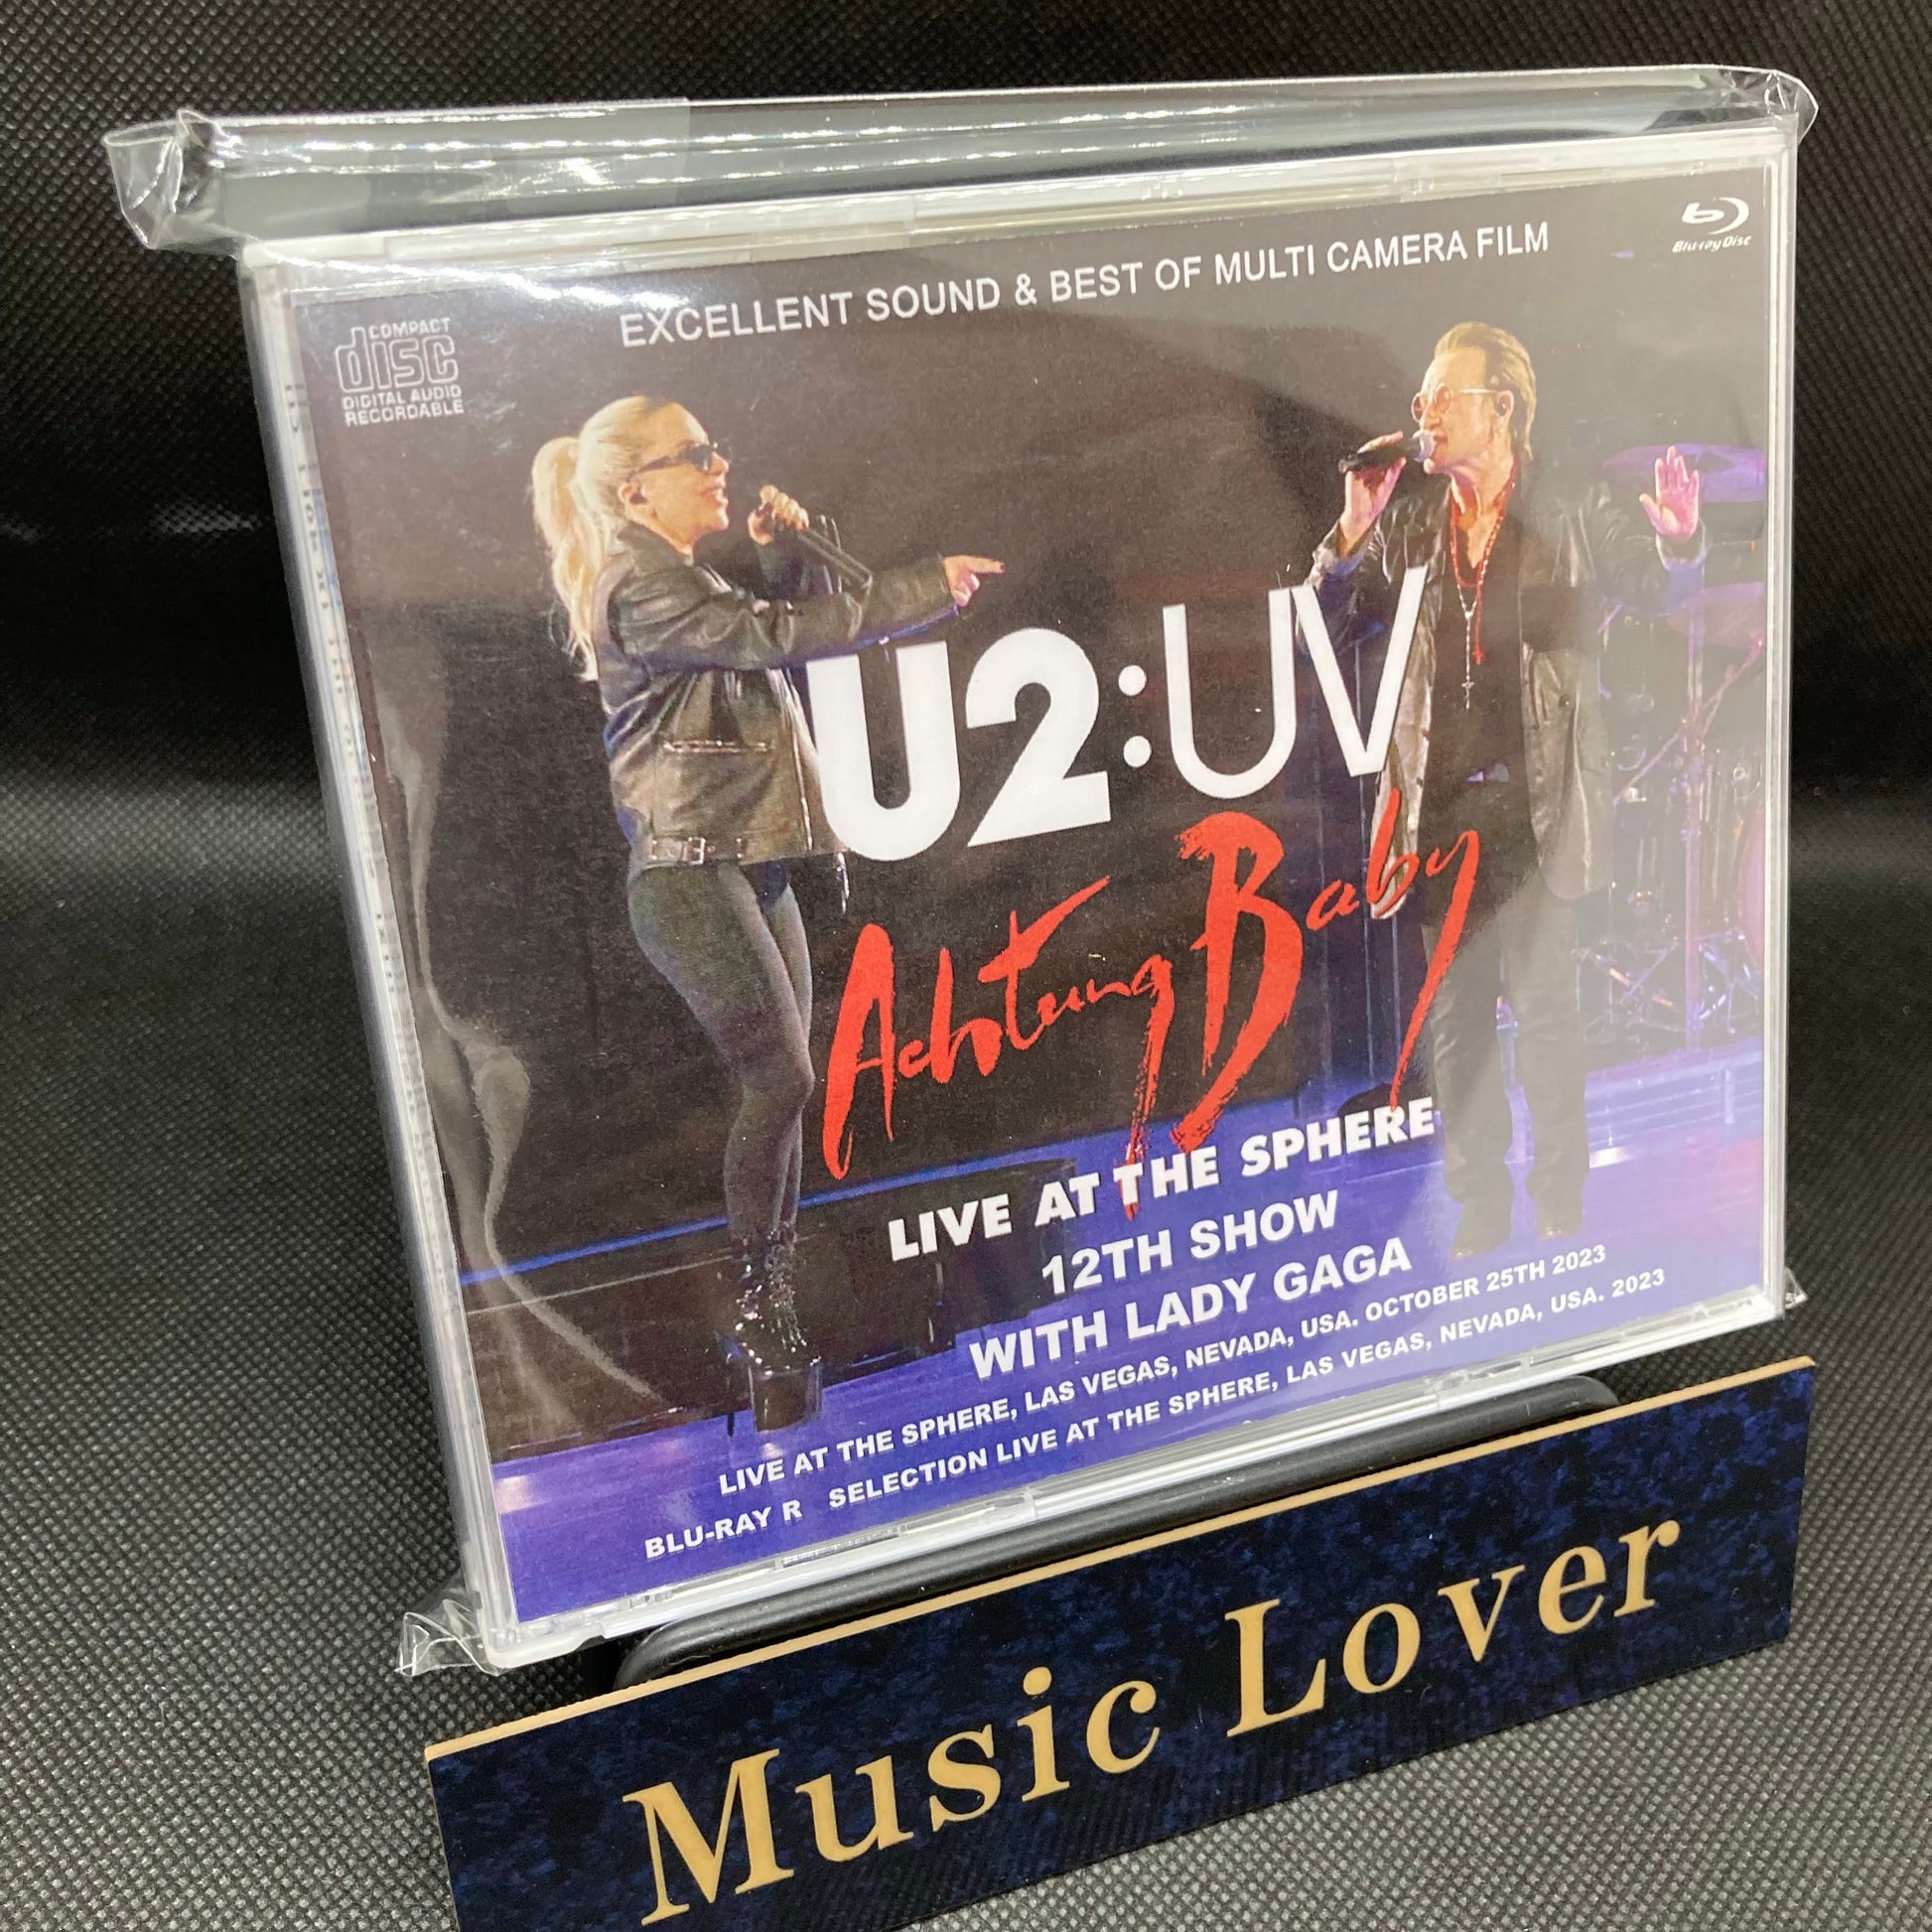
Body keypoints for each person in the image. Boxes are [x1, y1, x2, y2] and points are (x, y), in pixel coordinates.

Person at [532, 394, 1001, 1427]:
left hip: (747, 865)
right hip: (689, 873)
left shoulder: (679, 576)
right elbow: (767, 640)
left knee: (788, 1084)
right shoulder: (637, 584)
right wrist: (920, 588)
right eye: (694, 454)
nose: (719, 465)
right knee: (780, 1076)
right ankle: (758, 1313)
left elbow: (760, 642)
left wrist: (788, 557)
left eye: (714, 449)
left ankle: (772, 1314)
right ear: (634, 490)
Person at [1302, 323, 1704, 1257]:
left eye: (1445, 395)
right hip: (1440, 813)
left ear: (1502, 409)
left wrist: (1680, 546)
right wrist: (1351, 532)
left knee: (1548, 1012)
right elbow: (1325, 628)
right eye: (1421, 399)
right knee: (1457, 1025)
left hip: (1539, 806)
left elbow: (1656, 591)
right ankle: (1479, 1204)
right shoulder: (1410, 525)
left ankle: (1560, 1197)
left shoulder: (1572, 508)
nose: (1425, 413)